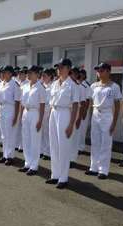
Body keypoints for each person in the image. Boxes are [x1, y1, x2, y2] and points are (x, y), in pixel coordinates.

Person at [46, 58, 79, 189]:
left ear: (68, 68)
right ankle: (55, 174)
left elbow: (76, 105)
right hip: (54, 113)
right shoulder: (54, 84)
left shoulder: (72, 85)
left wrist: (71, 124)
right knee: (53, 145)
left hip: (65, 113)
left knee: (63, 146)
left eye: (61, 67)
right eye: (57, 67)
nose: (58, 70)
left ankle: (63, 178)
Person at [86, 63, 121, 179]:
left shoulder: (114, 87)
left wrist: (114, 123)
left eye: (101, 71)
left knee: (105, 143)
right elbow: (91, 104)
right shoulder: (94, 86)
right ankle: (93, 167)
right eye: (97, 71)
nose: (98, 73)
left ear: (108, 71)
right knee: (95, 142)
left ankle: (103, 170)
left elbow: (117, 106)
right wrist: (91, 119)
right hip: (96, 114)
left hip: (107, 114)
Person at [18, 66, 47, 175]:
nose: (28, 75)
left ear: (37, 74)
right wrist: (21, 116)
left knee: (35, 140)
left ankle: (34, 166)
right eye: (28, 73)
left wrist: (40, 120)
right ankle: (27, 163)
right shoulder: (25, 86)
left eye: (31, 73)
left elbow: (42, 104)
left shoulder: (40, 87)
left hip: (35, 113)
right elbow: (22, 103)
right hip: (26, 112)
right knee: (26, 139)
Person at [0, 65, 21, 166]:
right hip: (1, 109)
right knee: (3, 135)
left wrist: (16, 116)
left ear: (10, 73)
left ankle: (10, 156)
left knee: (10, 135)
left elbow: (17, 101)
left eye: (5, 72)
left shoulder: (14, 84)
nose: (3, 74)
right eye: (2, 72)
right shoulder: (1, 83)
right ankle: (5, 154)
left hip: (10, 109)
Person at [69, 67, 87, 167]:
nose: (73, 75)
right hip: (67, 114)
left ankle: (72, 159)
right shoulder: (67, 85)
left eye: (75, 73)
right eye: (71, 73)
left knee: (74, 138)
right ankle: (66, 158)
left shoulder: (80, 87)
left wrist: (79, 118)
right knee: (67, 138)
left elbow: (83, 103)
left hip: (75, 115)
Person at [40, 68, 55, 160]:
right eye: (42, 76)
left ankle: (48, 152)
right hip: (41, 109)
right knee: (41, 132)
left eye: (45, 76)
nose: (43, 77)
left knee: (47, 132)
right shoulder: (41, 85)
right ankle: (42, 150)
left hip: (48, 109)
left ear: (50, 76)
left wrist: (49, 113)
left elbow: (51, 101)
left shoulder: (53, 86)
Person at [77, 69, 92, 153]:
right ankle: (77, 146)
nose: (79, 75)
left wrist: (85, 111)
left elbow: (87, 99)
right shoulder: (76, 83)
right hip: (77, 109)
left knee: (82, 129)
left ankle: (81, 147)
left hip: (83, 109)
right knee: (77, 129)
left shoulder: (86, 85)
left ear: (83, 75)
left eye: (81, 74)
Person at [15, 67, 29, 153]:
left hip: (24, 106)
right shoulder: (17, 82)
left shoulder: (27, 83)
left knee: (23, 127)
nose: (20, 75)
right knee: (17, 127)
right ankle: (17, 144)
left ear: (25, 75)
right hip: (18, 105)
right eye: (19, 73)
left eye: (22, 73)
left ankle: (22, 146)